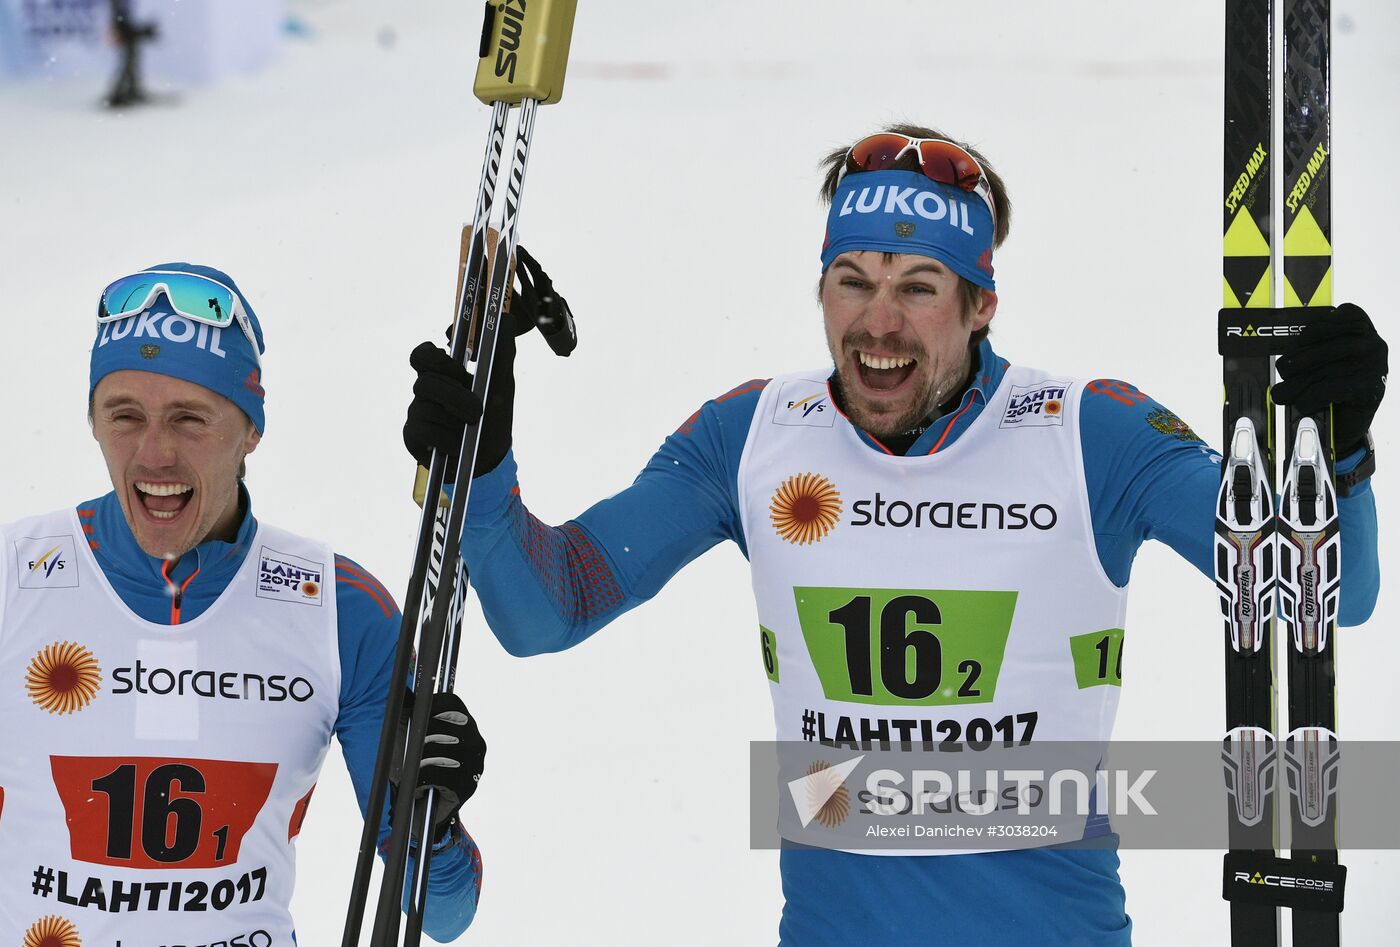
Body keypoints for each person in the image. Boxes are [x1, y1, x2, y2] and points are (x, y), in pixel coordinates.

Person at [402, 126, 1386, 944]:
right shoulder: (749, 435)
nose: (878, 323)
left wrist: (1335, 449)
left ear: (979, 303)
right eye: (850, 278)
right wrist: (484, 462)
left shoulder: (1090, 433)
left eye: (918, 285)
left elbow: (1316, 592)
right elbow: (546, 608)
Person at [0, 263, 486, 945]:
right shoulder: (14, 582)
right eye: (125, 416)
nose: (154, 453)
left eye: (189, 418)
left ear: (250, 428)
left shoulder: (337, 611)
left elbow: (441, 912)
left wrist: (432, 822)